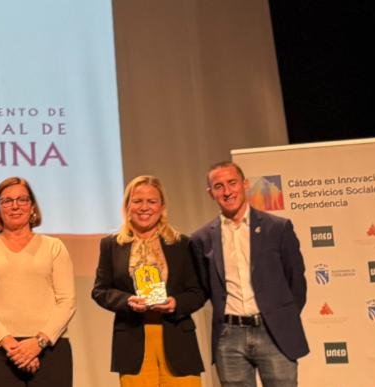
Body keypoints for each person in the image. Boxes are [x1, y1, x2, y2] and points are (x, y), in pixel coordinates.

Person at [190, 161, 307, 387]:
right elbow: (204, 287)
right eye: (219, 186)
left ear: (244, 184)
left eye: (232, 183)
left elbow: (297, 283)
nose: (227, 191)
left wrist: (281, 319)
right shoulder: (201, 238)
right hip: (229, 337)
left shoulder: (278, 228)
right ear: (210, 193)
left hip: (274, 333)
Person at [92, 175, 205, 385]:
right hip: (132, 342)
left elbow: (197, 292)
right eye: (137, 201)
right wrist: (126, 301)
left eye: (151, 201)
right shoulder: (111, 245)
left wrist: (176, 304)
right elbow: (100, 291)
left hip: (177, 338)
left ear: (162, 207)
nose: (144, 207)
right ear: (127, 206)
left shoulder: (181, 243)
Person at [0, 177, 75, 386]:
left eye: (22, 199)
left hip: (50, 348)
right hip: (0, 350)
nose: (15, 206)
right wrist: (13, 347)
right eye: (7, 201)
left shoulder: (54, 246)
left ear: (32, 206)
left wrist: (38, 343)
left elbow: (67, 301)